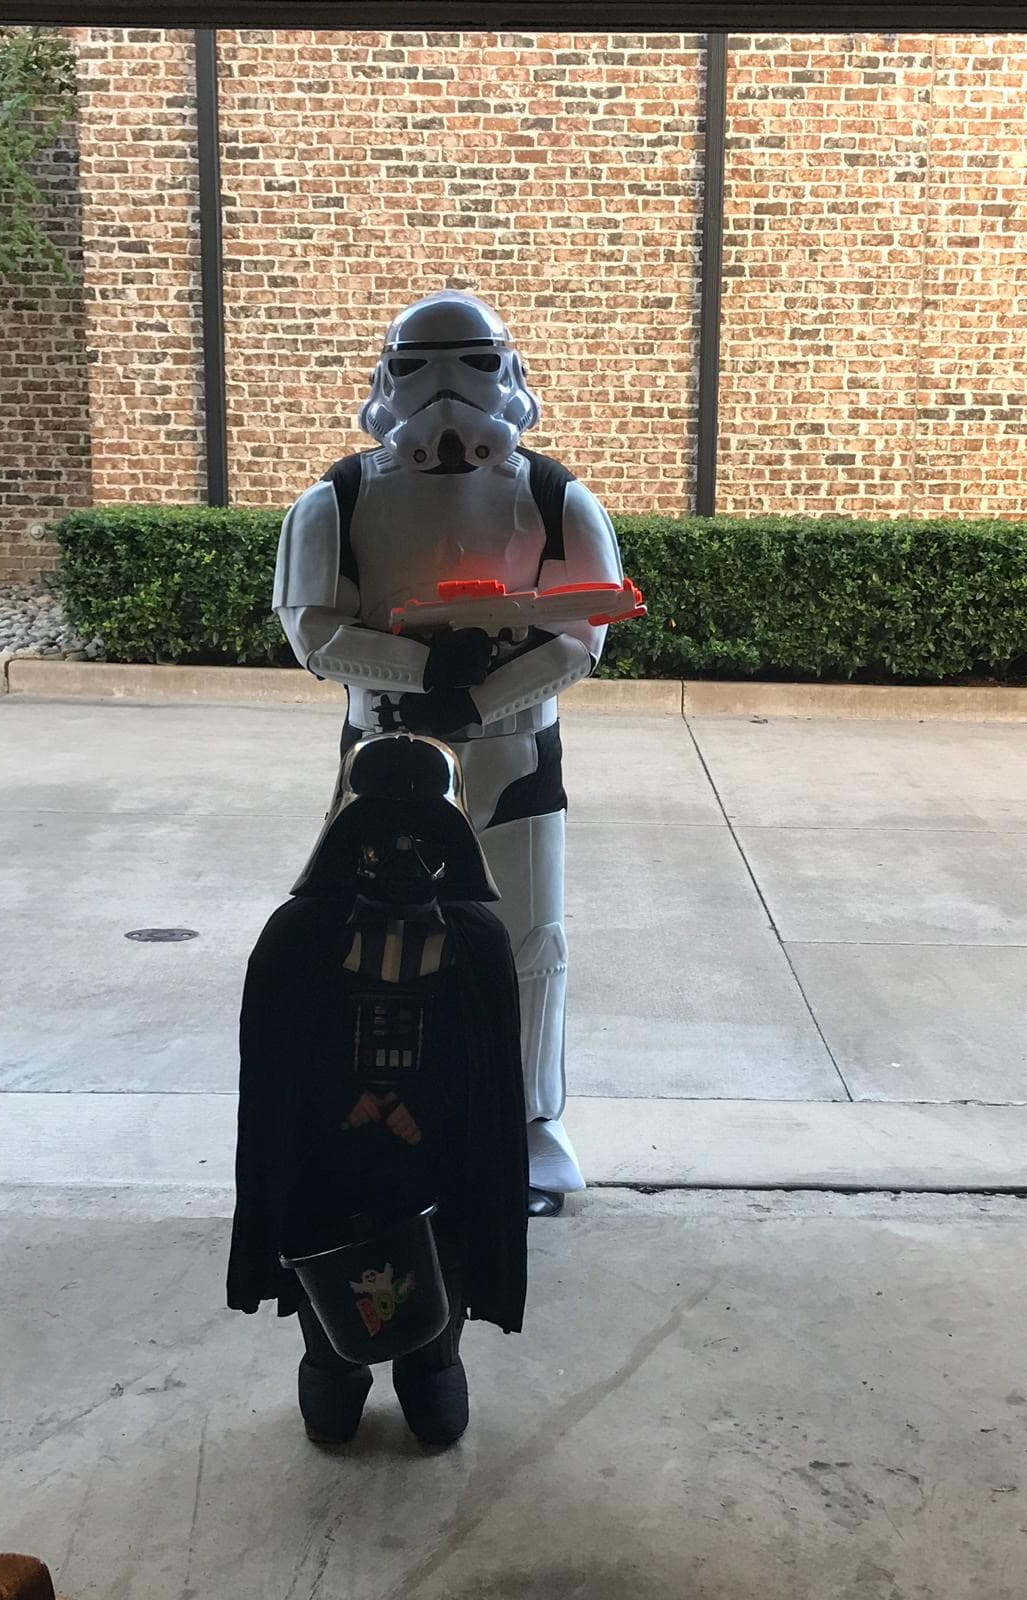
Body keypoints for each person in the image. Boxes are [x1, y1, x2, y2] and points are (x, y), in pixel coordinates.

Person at [273, 288, 626, 1215]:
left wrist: (476, 689)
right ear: (386, 376)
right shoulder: (337, 500)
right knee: (370, 939)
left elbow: (583, 632)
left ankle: (527, 1125)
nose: (447, 395)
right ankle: (375, 1116)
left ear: (509, 371)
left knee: (529, 941)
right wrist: (424, 667)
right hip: (384, 750)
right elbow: (312, 629)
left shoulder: (554, 496)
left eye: (474, 364)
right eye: (420, 367)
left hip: (514, 753)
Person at [227, 734, 528, 1448]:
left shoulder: (475, 941)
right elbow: (273, 1063)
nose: (399, 856)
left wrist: (428, 1112)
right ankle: (334, 1365)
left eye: (422, 837)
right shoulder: (299, 937)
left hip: (437, 1166)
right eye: (378, 838)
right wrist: (338, 1100)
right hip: (329, 1164)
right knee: (332, 1358)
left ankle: (431, 1363)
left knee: (434, 1368)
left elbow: (489, 1079)